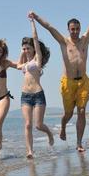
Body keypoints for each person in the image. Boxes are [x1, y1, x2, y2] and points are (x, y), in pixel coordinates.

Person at [29, 0, 89, 152]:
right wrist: (36, 17)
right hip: (68, 82)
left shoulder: (84, 41)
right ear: (68, 29)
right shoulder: (64, 42)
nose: (75, 31)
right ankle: (64, 126)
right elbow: (49, 27)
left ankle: (79, 143)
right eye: (72, 29)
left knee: (81, 111)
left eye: (77, 29)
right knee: (68, 113)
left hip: (83, 82)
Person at [17, 13, 54, 159]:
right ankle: (30, 151)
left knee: (38, 125)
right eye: (24, 49)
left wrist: (32, 22)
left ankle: (49, 133)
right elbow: (18, 64)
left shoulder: (37, 60)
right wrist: (22, 50)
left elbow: (36, 39)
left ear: (33, 49)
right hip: (25, 96)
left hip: (38, 94)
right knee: (27, 125)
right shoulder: (23, 64)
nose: (26, 50)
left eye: (28, 48)